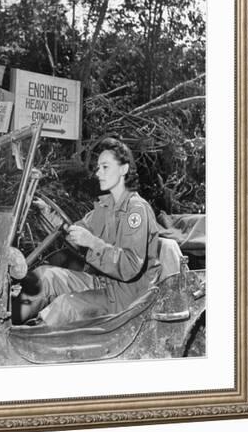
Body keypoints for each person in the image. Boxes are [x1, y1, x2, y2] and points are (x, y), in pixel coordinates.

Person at [17, 137, 161, 327]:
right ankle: (5, 320)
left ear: (124, 169)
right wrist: (48, 214)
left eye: (105, 167)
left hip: (130, 297)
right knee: (44, 277)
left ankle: (30, 345)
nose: (98, 172)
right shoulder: (105, 207)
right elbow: (73, 232)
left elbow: (130, 267)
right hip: (105, 284)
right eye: (98, 167)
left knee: (66, 306)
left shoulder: (136, 210)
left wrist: (93, 243)